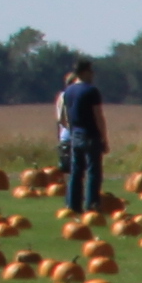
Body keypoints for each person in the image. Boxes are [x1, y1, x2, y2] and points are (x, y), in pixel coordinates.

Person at [53, 59, 107, 216]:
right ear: (84, 72)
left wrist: (71, 129)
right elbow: (99, 116)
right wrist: (104, 137)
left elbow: (65, 116)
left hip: (75, 134)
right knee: (93, 171)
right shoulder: (91, 91)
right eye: (90, 72)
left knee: (76, 171)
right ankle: (92, 204)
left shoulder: (68, 91)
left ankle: (73, 204)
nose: (93, 75)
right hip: (91, 133)